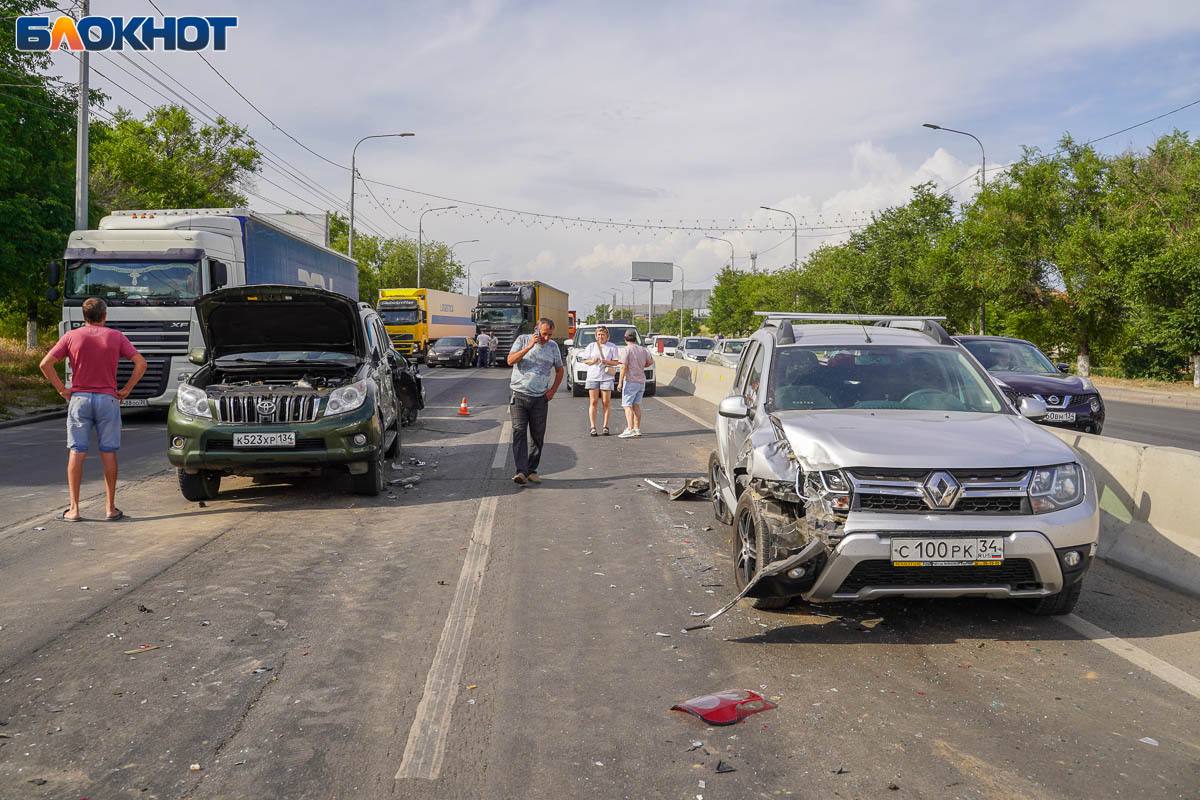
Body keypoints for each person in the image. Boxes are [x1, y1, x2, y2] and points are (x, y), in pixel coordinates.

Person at [39, 297, 147, 522]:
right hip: (108, 399)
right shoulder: (116, 337)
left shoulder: (71, 336)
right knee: (108, 450)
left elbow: (45, 364)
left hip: (79, 399)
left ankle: (75, 509)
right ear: (104, 315)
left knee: (77, 450)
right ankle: (110, 508)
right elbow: (141, 363)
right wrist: (126, 389)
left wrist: (62, 389)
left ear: (84, 316)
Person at [506, 318, 564, 485]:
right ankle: (521, 471)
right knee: (519, 432)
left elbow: (559, 370)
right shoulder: (522, 340)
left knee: (537, 436)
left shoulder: (553, 347)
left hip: (540, 398)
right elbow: (510, 360)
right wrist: (529, 346)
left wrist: (552, 391)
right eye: (544, 334)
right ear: (536, 330)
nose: (547, 338)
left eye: (550, 335)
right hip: (519, 396)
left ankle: (532, 470)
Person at [581, 326, 619, 436]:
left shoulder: (612, 347)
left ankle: (605, 426)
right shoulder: (591, 346)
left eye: (602, 334)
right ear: (595, 335)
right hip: (593, 376)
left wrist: (606, 361)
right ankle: (593, 427)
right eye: (598, 334)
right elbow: (585, 360)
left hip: (606, 377)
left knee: (606, 402)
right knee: (593, 402)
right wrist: (593, 361)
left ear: (607, 335)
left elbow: (616, 362)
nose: (600, 336)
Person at [617, 329, 654, 438]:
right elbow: (650, 362)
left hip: (630, 381)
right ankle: (637, 428)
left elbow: (623, 366)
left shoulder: (626, 350)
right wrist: (641, 366)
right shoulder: (643, 350)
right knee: (636, 405)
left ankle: (629, 429)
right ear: (635, 338)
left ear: (625, 338)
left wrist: (620, 383)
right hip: (641, 381)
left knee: (627, 405)